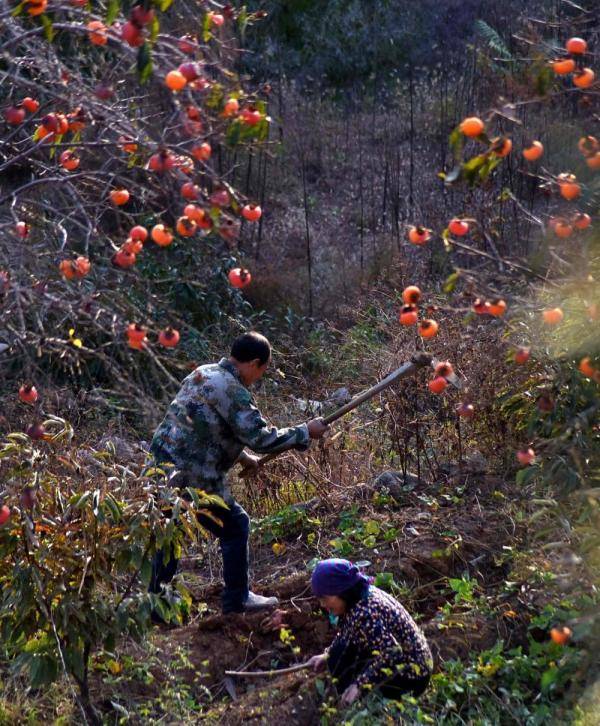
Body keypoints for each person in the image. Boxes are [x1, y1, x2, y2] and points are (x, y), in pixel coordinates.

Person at [148, 331, 329, 616]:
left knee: (171, 531)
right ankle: (238, 600)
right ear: (255, 363)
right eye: (262, 370)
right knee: (235, 525)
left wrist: (243, 457)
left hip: (159, 468)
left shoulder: (202, 373)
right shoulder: (233, 390)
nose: (259, 377)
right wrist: (305, 431)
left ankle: (156, 605)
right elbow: (261, 437)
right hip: (192, 477)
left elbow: (203, 426)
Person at [307, 559, 433, 705]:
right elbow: (347, 633)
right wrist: (326, 655)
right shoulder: (359, 595)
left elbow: (392, 652)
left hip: (411, 677)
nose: (323, 604)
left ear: (341, 591)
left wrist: (359, 684)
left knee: (341, 658)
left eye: (325, 598)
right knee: (337, 653)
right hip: (408, 660)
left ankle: (358, 703)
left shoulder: (365, 613)